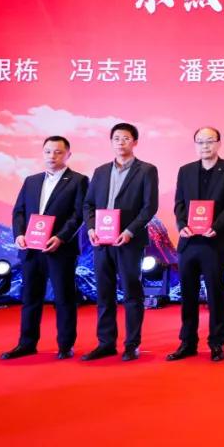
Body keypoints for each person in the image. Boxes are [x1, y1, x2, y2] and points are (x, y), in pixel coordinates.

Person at [1, 136, 89, 360]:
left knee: (64, 298)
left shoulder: (78, 180)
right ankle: (26, 344)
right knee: (30, 298)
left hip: (60, 250)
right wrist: (19, 234)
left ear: (68, 155)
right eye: (48, 151)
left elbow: (78, 215)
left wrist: (61, 237)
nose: (52, 156)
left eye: (58, 152)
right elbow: (19, 211)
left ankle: (65, 346)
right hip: (31, 249)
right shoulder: (31, 181)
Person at [81, 123, 159, 362]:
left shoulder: (146, 170)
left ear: (135, 142)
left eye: (125, 138)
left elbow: (149, 207)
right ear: (111, 142)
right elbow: (88, 204)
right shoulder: (101, 171)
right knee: (104, 293)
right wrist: (91, 227)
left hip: (128, 241)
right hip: (101, 242)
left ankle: (132, 344)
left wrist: (129, 231)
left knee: (132, 293)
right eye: (116, 138)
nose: (120, 142)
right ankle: (105, 343)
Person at [168, 126, 224, 363]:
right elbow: (179, 202)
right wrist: (182, 225)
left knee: (216, 293)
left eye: (209, 141)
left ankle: (217, 343)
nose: (205, 146)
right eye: (200, 142)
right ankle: (187, 342)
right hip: (189, 240)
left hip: (215, 240)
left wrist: (217, 226)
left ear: (219, 143)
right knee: (187, 294)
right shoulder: (186, 170)